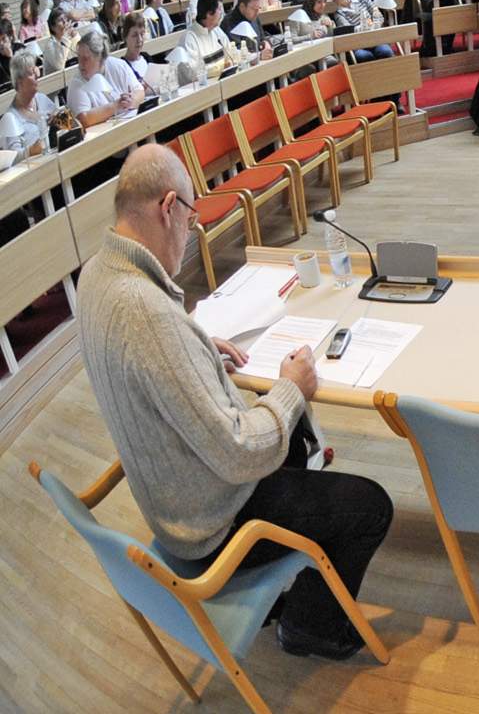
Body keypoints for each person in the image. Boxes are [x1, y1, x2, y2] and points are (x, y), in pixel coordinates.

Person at [80, 145, 392, 660]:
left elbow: (143, 355)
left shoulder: (97, 274)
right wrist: (291, 387)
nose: (191, 230)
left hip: (173, 496)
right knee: (370, 506)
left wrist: (194, 346)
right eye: (190, 218)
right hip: (210, 525)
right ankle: (309, 626)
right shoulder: (147, 315)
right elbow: (240, 454)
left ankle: (289, 579)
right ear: (168, 208)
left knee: (296, 439)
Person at [66, 30, 144, 127]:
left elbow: (140, 91)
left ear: (100, 58)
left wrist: (131, 100)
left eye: (86, 59)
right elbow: (83, 118)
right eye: (79, 57)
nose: (80, 64)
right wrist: (116, 105)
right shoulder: (76, 83)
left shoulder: (118, 65)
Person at [324, 0, 396, 61]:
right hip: (358, 44)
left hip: (375, 38)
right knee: (363, 56)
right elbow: (349, 31)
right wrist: (366, 26)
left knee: (385, 51)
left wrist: (372, 26)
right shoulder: (338, 13)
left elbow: (378, 16)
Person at [1, 54, 55, 154]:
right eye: (32, 73)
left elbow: (64, 124)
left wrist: (59, 120)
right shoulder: (11, 118)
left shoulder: (42, 99)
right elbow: (12, 156)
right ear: (20, 82)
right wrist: (31, 151)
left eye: (36, 71)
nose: (37, 76)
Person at [181, 0, 232, 71]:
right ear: (209, 13)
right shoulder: (189, 39)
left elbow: (231, 54)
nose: (222, 13)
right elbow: (193, 73)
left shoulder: (217, 31)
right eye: (219, 9)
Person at [117, 13, 153, 84]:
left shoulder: (147, 58)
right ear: (125, 37)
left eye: (142, 34)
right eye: (134, 35)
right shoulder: (122, 66)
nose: (139, 39)